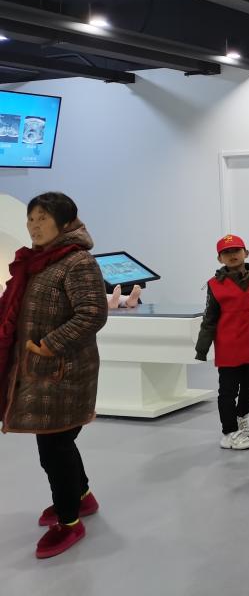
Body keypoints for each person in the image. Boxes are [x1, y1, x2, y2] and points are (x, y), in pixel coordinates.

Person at [0, 193, 108, 559]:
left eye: (42, 218)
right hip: (40, 370)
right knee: (58, 442)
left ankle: (69, 521)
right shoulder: (37, 261)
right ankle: (82, 497)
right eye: (31, 218)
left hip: (64, 372)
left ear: (65, 222)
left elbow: (92, 313)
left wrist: (49, 345)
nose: (34, 225)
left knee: (54, 448)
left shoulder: (77, 261)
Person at [195, 234, 249, 451]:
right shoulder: (214, 285)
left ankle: (241, 416)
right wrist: (202, 348)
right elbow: (209, 318)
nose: (232, 255)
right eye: (226, 252)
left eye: (236, 250)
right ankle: (229, 433)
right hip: (229, 346)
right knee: (228, 391)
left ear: (246, 253)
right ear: (220, 259)